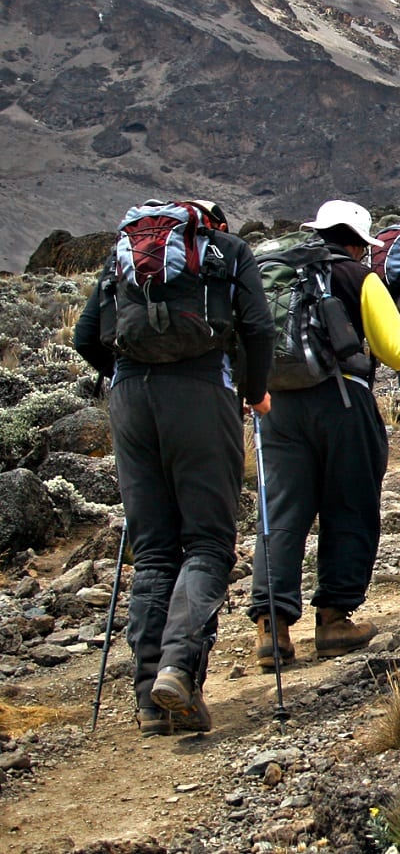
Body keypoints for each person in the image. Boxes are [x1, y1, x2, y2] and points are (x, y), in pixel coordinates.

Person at [73, 200, 275, 735]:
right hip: (201, 391)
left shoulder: (122, 258)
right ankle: (178, 670)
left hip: (130, 400)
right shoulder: (228, 251)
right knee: (207, 542)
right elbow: (257, 326)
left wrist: (122, 375)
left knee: (156, 549)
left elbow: (85, 334)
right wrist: (253, 392)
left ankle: (147, 699)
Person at [249, 201, 400, 671]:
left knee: (282, 512)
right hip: (343, 402)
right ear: (358, 242)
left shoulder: (277, 270)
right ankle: (334, 621)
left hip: (276, 405)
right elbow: (396, 351)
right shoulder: (357, 275)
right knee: (349, 506)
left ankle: (271, 630)